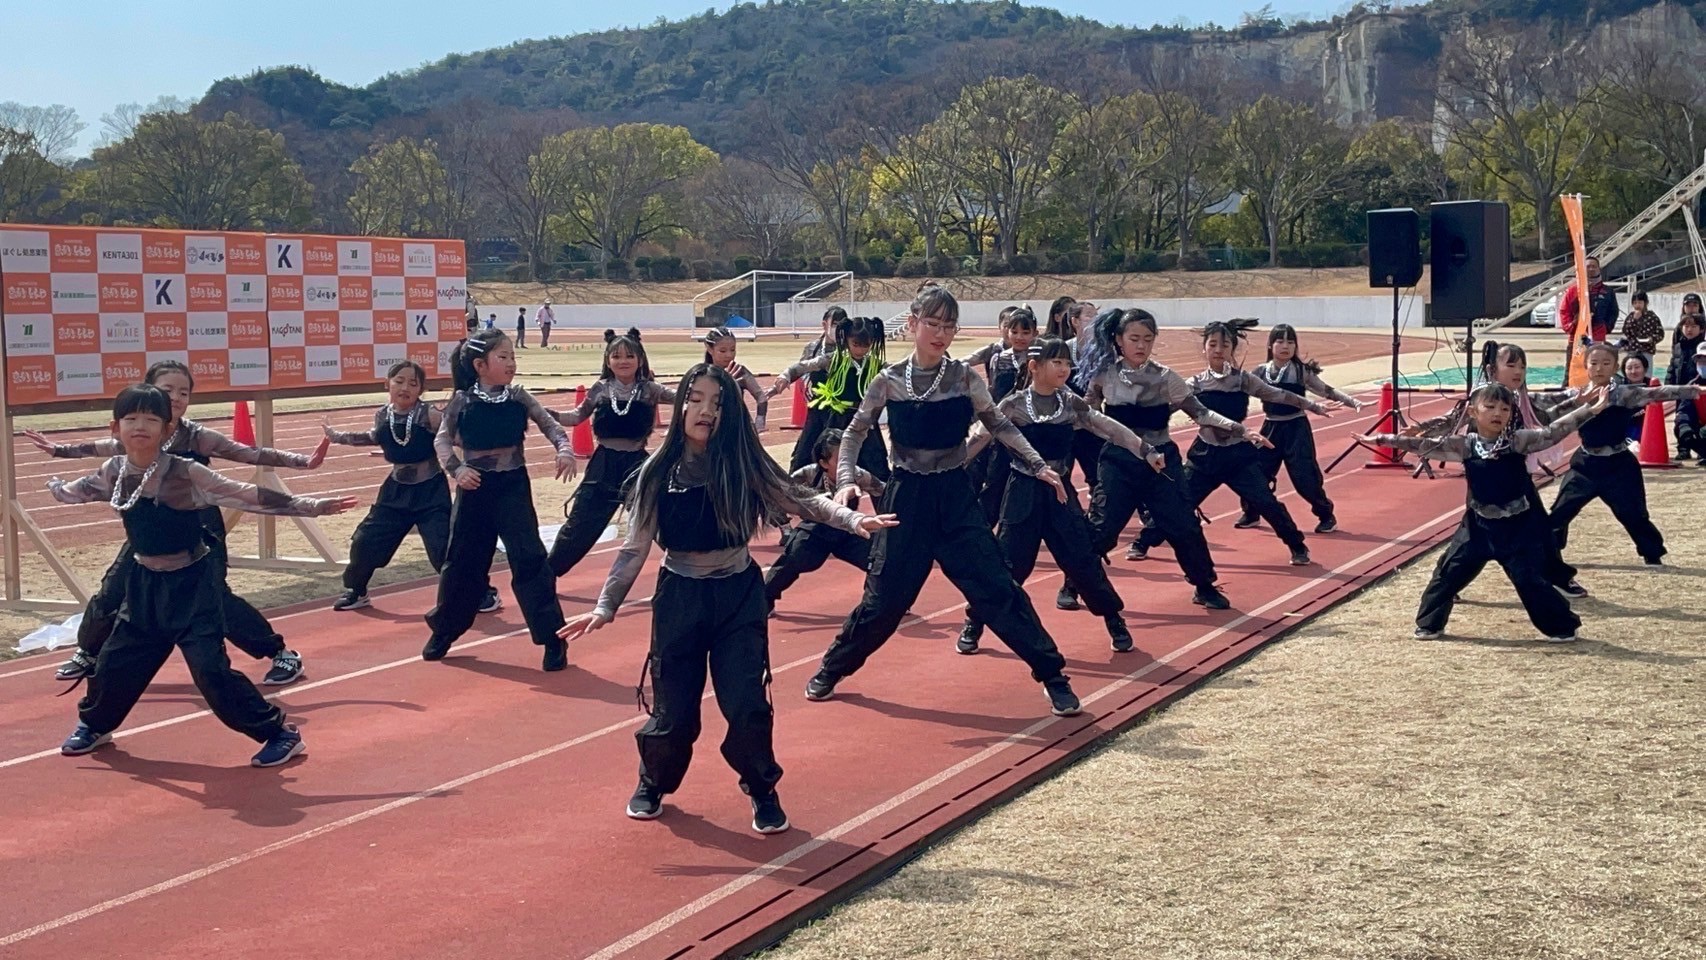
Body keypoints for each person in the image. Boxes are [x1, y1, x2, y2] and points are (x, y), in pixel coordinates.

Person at [560, 364, 895, 833]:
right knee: (674, 713)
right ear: (680, 407)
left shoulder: (743, 464)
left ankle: (762, 789)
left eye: (718, 403)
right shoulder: (656, 473)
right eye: (695, 399)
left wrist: (852, 520)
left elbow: (800, 497)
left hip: (739, 593)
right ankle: (653, 781)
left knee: (746, 705)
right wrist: (605, 606)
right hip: (680, 597)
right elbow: (634, 547)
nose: (706, 411)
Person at [805, 287, 1085, 718]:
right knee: (884, 601)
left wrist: (1037, 463)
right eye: (932, 323)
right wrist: (844, 481)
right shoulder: (889, 380)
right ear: (913, 323)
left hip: (955, 497)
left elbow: (999, 424)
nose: (940, 333)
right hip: (907, 497)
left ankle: (1052, 676)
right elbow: (855, 433)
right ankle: (833, 666)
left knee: (997, 589)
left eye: (949, 325)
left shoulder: (964, 378)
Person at [49, 384, 355, 765]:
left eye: (151, 419)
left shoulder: (185, 473)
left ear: (166, 430)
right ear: (115, 428)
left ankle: (279, 733)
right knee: (115, 662)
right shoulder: (114, 471)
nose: (140, 426)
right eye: (130, 418)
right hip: (145, 585)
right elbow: (78, 491)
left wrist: (312, 506)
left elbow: (246, 494)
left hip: (192, 586)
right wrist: (58, 489)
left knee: (211, 672)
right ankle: (95, 725)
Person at [29, 360, 328, 686]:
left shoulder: (196, 436)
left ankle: (279, 653)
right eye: (167, 389)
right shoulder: (142, 430)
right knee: (114, 586)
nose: (176, 397)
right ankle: (88, 651)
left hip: (198, 526)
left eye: (183, 392)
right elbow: (103, 446)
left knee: (213, 596)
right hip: (151, 524)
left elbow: (248, 453)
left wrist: (302, 462)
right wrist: (59, 451)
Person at [1358, 382, 1610, 643]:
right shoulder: (1464, 445)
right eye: (1489, 407)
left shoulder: (1517, 441)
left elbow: (1553, 432)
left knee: (1530, 580)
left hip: (1517, 529)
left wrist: (1591, 409)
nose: (1497, 413)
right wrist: (1381, 438)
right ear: (1472, 412)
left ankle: (1562, 627)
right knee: (1448, 573)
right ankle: (1429, 624)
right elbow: (1424, 445)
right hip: (1476, 528)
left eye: (1504, 408)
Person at [957, 337, 1163, 655]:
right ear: (1034, 367)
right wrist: (948, 469)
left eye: (1067, 363)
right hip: (1022, 493)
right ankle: (975, 622)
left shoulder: (1070, 405)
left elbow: (1107, 426)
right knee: (1008, 566)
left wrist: (1145, 449)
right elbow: (978, 440)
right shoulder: (1012, 405)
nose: (1065, 369)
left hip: (1060, 495)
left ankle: (1113, 619)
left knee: (1082, 562)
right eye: (1057, 362)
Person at [1077, 308, 1253, 611]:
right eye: (1134, 338)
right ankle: (1074, 582)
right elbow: (1085, 413)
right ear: (1119, 340)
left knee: (1184, 526)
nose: (1141, 345)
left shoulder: (1166, 377)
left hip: (1162, 462)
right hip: (1119, 461)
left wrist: (1238, 428)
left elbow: (1201, 413)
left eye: (1148, 338)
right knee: (1103, 527)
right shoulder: (1104, 375)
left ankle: (1204, 585)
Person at [422, 329, 576, 670]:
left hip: (512, 489)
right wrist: (457, 470)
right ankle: (445, 630)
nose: (510, 363)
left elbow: (552, 426)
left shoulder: (519, 396)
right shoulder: (461, 401)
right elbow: (442, 442)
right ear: (480, 365)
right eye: (502, 357)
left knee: (530, 560)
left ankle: (553, 638)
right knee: (462, 563)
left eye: (512, 357)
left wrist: (565, 450)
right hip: (474, 490)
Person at [1128, 319, 1335, 567]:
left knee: (1266, 503)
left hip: (1239, 457)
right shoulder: (1193, 385)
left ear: (1232, 349)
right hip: (1205, 457)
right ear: (1204, 348)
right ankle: (1142, 542)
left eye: (1224, 345)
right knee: (1178, 503)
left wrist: (1312, 404)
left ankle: (1297, 545)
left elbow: (1278, 394)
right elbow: (1161, 411)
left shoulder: (1243, 380)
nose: (1218, 350)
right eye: (1212, 344)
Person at [324, 361, 500, 614]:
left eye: (413, 383)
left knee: (445, 549)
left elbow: (456, 436)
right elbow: (373, 436)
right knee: (365, 542)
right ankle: (356, 590)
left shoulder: (428, 415)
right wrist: (337, 436)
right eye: (399, 381)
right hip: (395, 492)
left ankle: (482, 592)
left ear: (421, 390)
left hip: (430, 492)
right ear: (387, 384)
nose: (405, 387)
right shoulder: (383, 415)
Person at [1548, 343, 1702, 564]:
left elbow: (1658, 393)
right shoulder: (1577, 396)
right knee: (1560, 511)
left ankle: (1652, 554)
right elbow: (1543, 403)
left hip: (1619, 466)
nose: (1599, 368)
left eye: (1606, 363)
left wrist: (1693, 391)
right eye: (1594, 363)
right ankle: (1550, 554)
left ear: (1614, 368)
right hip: (1585, 465)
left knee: (1634, 513)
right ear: (1586, 366)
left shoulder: (1624, 393)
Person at [548, 329, 676, 578]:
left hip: (638, 467)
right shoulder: (600, 389)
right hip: (603, 466)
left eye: (629, 355)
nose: (623, 361)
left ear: (640, 359)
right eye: (616, 356)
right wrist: (548, 414)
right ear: (608, 361)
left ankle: (688, 566)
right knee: (580, 526)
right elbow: (576, 417)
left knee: (657, 520)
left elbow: (685, 398)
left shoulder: (651, 389)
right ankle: (546, 575)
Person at [1235, 324, 1365, 533]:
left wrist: (1353, 402)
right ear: (1270, 345)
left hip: (1296, 429)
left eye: (1290, 341)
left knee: (1305, 477)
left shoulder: (1300, 371)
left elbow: (1326, 390)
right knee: (1256, 472)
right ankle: (1251, 513)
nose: (1285, 346)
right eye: (1280, 341)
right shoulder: (1260, 371)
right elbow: (1238, 390)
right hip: (1270, 428)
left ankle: (1325, 515)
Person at [763, 429, 886, 611]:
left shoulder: (858, 474)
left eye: (849, 457)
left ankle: (881, 601)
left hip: (849, 531)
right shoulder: (809, 474)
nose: (847, 464)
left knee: (880, 560)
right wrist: (781, 519)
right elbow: (781, 494)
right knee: (792, 559)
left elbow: (884, 492)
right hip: (815, 531)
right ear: (824, 462)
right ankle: (764, 600)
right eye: (840, 460)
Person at [767, 314, 891, 480]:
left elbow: (898, 375)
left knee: (877, 465)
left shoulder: (877, 365)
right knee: (825, 460)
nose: (861, 350)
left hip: (865, 420)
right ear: (846, 339)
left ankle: (883, 502)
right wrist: (785, 376)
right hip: (837, 420)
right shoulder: (834, 360)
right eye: (856, 344)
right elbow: (805, 366)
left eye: (866, 345)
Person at [701, 326, 768, 431]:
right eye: (722, 351)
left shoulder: (740, 372)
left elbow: (761, 397)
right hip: (711, 427)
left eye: (732, 350)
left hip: (739, 427)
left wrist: (760, 420)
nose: (729, 355)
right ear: (710, 349)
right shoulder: (703, 374)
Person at [1557, 255, 1618, 345]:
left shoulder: (1607, 291)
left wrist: (1607, 327)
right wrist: (1571, 326)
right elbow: (1564, 311)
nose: (1591, 269)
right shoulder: (1573, 291)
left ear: (1599, 269)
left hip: (1598, 336)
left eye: (1594, 266)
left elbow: (1613, 312)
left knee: (1596, 358)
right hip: (1577, 336)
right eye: (1588, 266)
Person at [1673, 342, 1706, 462]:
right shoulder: (1692, 385)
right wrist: (1684, 425)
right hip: (1700, 424)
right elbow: (1684, 409)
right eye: (1700, 361)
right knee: (1682, 429)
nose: (1703, 365)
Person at [1620, 291, 1663, 361]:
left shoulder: (1652, 317)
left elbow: (1660, 334)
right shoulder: (1630, 317)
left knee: (1646, 371)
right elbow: (1626, 332)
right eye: (1635, 303)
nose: (1637, 305)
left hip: (1647, 350)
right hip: (1632, 350)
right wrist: (1634, 320)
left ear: (1645, 303)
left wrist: (1652, 339)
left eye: (1640, 302)